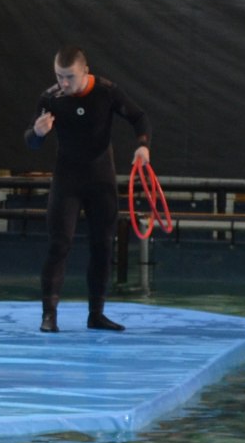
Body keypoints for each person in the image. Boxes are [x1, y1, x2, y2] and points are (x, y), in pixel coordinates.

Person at [24, 46, 151, 333]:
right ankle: (49, 315)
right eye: (59, 76)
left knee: (102, 246)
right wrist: (38, 133)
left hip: (100, 180)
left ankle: (96, 314)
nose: (63, 83)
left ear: (86, 71)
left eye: (69, 77)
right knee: (59, 244)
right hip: (67, 180)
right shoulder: (50, 98)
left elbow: (139, 117)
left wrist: (143, 145)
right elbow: (30, 141)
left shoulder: (106, 92)